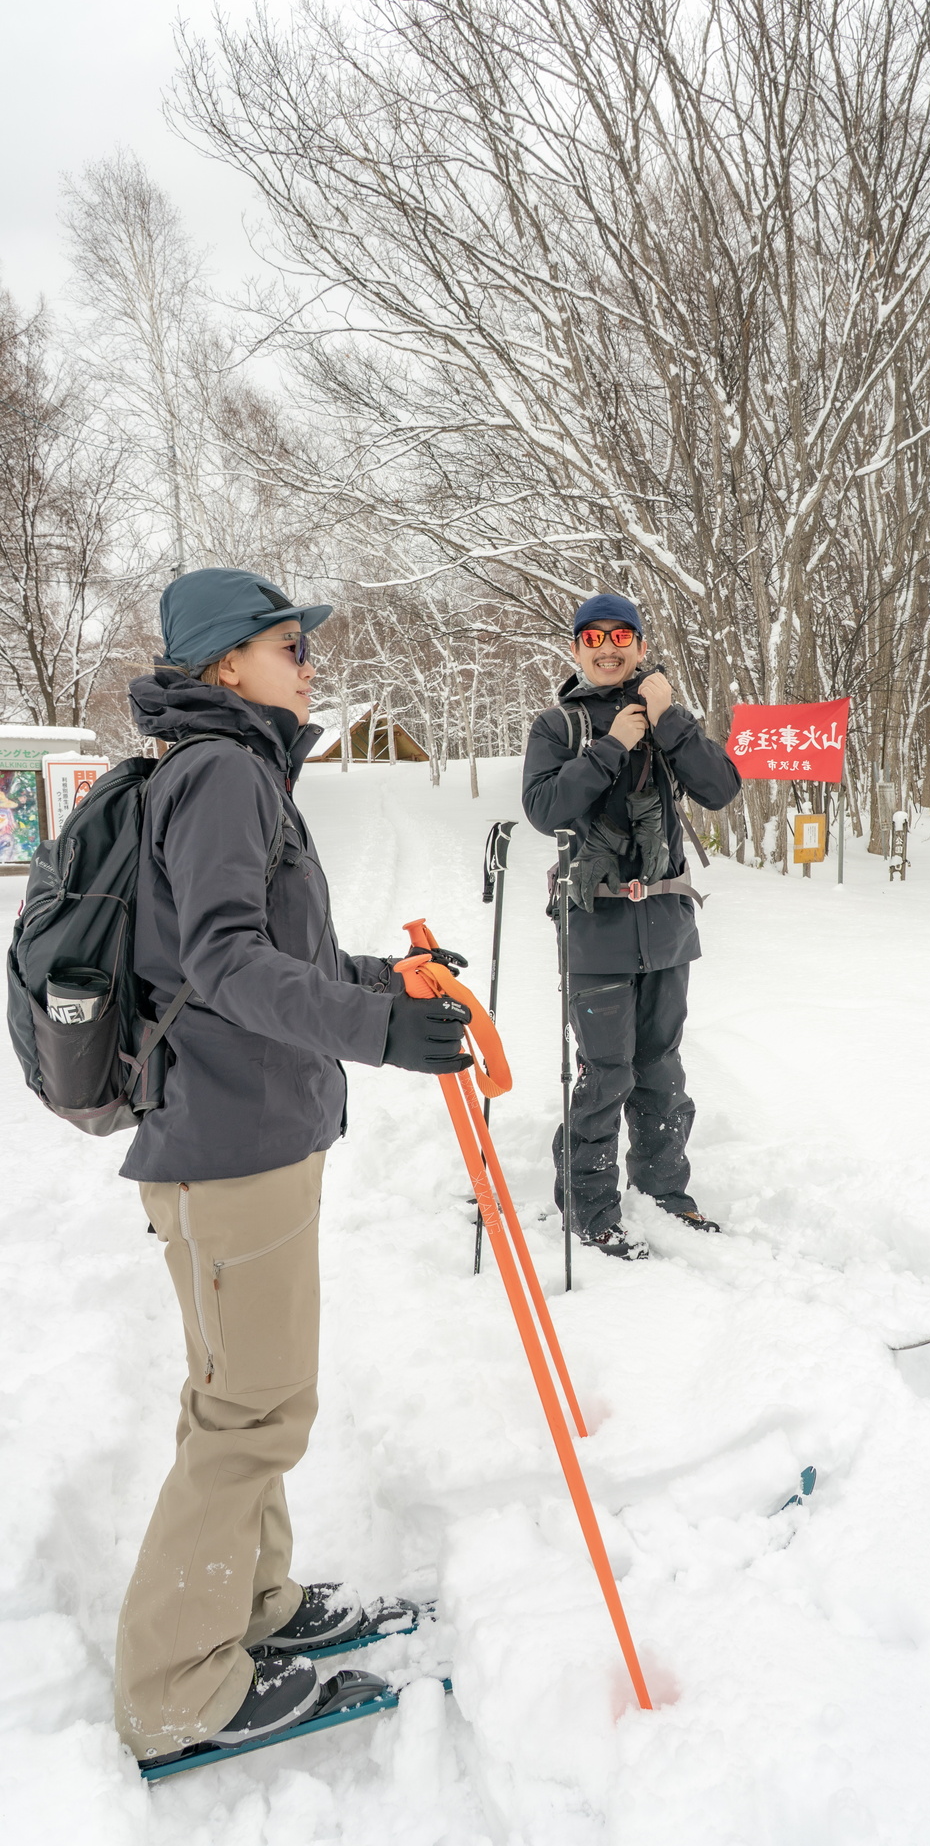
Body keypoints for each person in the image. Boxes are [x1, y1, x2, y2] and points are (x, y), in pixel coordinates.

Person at [115, 567, 472, 1765]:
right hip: (234, 1150)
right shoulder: (222, 770)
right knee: (254, 1415)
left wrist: (380, 981)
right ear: (226, 663)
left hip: (226, 1139)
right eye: (285, 642)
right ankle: (176, 1688)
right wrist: (375, 1037)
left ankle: (250, 1610)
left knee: (237, 1401)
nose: (307, 660)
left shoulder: (226, 765)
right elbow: (221, 961)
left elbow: (275, 949)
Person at [522, 593, 741, 1260]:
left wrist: (668, 717)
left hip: (667, 928)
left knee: (661, 1072)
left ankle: (665, 1196)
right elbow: (544, 807)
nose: (608, 647)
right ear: (576, 649)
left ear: (641, 645)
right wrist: (612, 746)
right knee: (605, 1073)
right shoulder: (560, 725)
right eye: (593, 638)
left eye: (622, 636)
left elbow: (721, 787)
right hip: (597, 931)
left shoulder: (668, 714)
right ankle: (591, 1207)